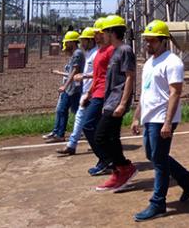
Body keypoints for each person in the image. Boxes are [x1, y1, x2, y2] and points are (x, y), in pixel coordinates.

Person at [131, 20, 189, 222]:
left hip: (163, 117)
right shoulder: (149, 63)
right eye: (146, 41)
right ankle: (187, 179)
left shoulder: (173, 62)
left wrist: (168, 122)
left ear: (163, 41)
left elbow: (175, 93)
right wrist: (136, 118)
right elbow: (145, 92)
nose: (147, 44)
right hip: (149, 117)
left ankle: (158, 203)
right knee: (153, 155)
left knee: (159, 160)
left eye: (151, 41)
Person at [94, 15, 137, 192]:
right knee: (111, 137)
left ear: (112, 32)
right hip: (111, 100)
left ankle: (124, 167)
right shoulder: (115, 51)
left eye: (105, 32)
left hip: (117, 101)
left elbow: (129, 77)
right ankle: (119, 171)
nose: (102, 35)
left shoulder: (125, 50)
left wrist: (122, 103)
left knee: (100, 137)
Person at [80, 17, 115, 176]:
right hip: (96, 92)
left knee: (88, 125)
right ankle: (107, 159)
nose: (96, 36)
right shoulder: (100, 51)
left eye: (98, 33)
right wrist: (88, 93)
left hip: (104, 94)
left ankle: (106, 158)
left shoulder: (111, 51)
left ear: (105, 33)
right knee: (98, 128)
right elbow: (97, 76)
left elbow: (112, 75)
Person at [56, 27, 98, 155]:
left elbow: (100, 74)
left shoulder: (96, 54)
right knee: (80, 118)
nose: (82, 43)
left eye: (84, 40)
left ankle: (95, 145)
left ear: (90, 40)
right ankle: (72, 145)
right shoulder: (88, 53)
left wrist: (84, 77)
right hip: (86, 91)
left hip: (92, 92)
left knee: (89, 121)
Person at [43, 31, 85, 143]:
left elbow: (75, 70)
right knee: (67, 110)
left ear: (72, 42)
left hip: (73, 89)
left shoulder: (77, 54)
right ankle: (58, 132)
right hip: (71, 88)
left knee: (67, 110)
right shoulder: (76, 54)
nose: (65, 45)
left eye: (67, 42)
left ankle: (60, 133)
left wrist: (64, 86)